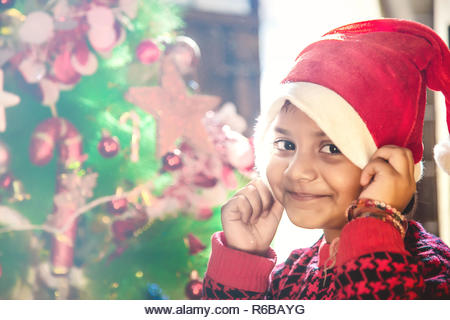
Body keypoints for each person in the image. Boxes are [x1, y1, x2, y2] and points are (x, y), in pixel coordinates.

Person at [202, 19, 450, 299]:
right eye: (285, 144)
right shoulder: (290, 275)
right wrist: (241, 261)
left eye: (331, 148)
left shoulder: (432, 271)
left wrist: (374, 219)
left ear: (390, 166)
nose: (296, 172)